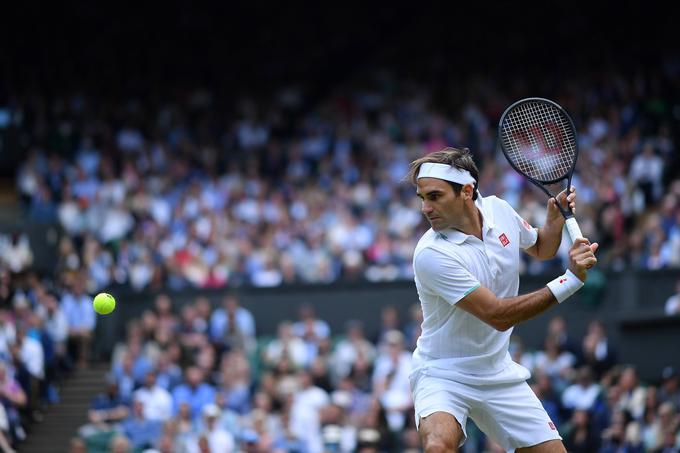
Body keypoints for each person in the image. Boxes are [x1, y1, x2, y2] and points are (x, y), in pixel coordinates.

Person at [406, 148, 598, 452]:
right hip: (443, 373)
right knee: (438, 446)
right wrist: (570, 280)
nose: (425, 208)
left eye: (435, 196)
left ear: (466, 192)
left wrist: (554, 222)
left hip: (497, 371)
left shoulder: (500, 210)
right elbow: (498, 315)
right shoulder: (431, 254)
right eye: (422, 198)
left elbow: (542, 248)